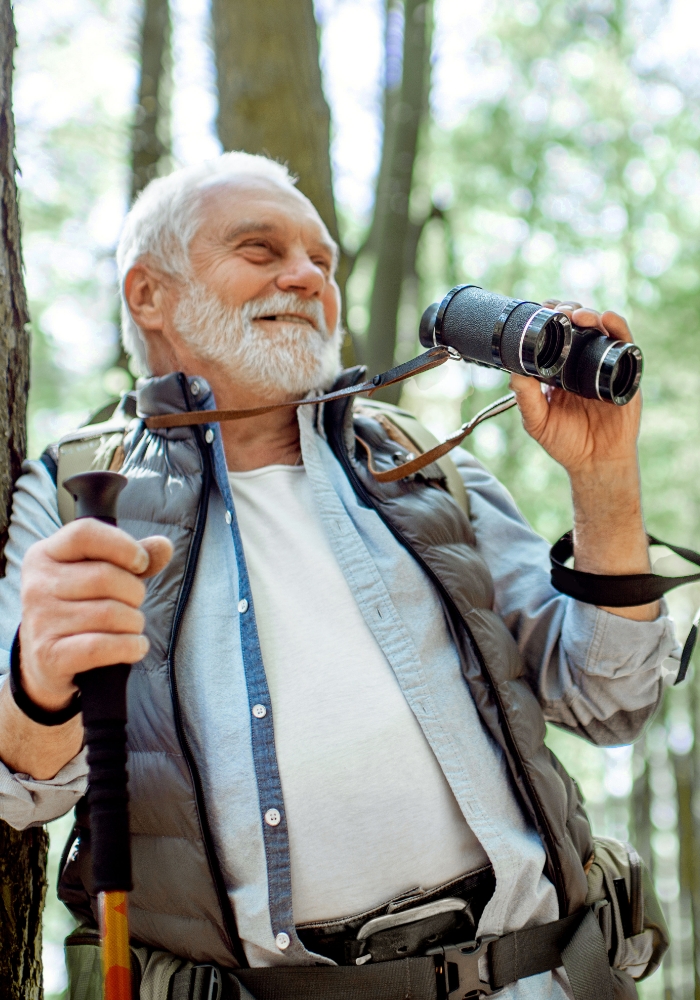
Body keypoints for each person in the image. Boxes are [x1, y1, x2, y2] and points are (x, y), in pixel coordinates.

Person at [0, 152, 678, 999]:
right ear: (150, 294)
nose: (306, 276)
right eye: (259, 249)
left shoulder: (427, 464)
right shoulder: (75, 496)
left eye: (322, 260)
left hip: (540, 976)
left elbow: (608, 701)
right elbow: (18, 790)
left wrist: (605, 480)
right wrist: (41, 677)